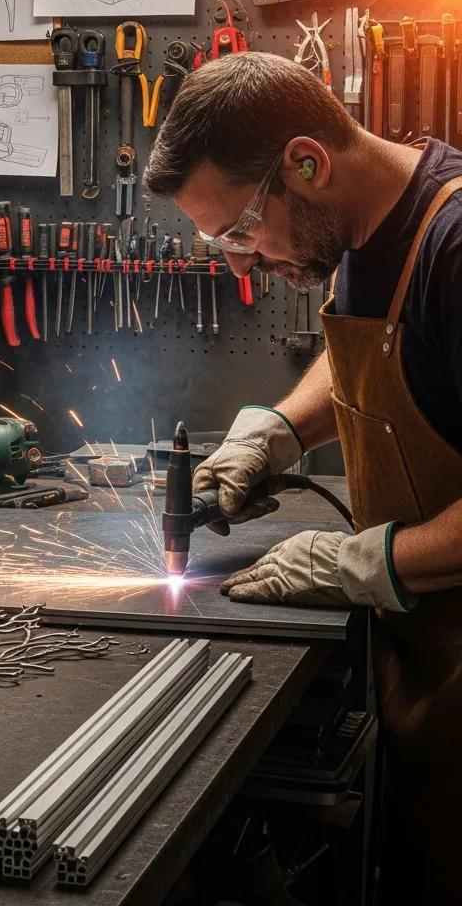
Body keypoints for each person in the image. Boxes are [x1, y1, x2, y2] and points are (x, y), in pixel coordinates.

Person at [143, 51, 462, 903]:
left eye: (241, 231)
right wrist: (280, 432)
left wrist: (365, 563)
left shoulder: (456, 246)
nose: (241, 263)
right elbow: (373, 352)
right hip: (430, 654)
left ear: (307, 163)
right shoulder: (365, 226)